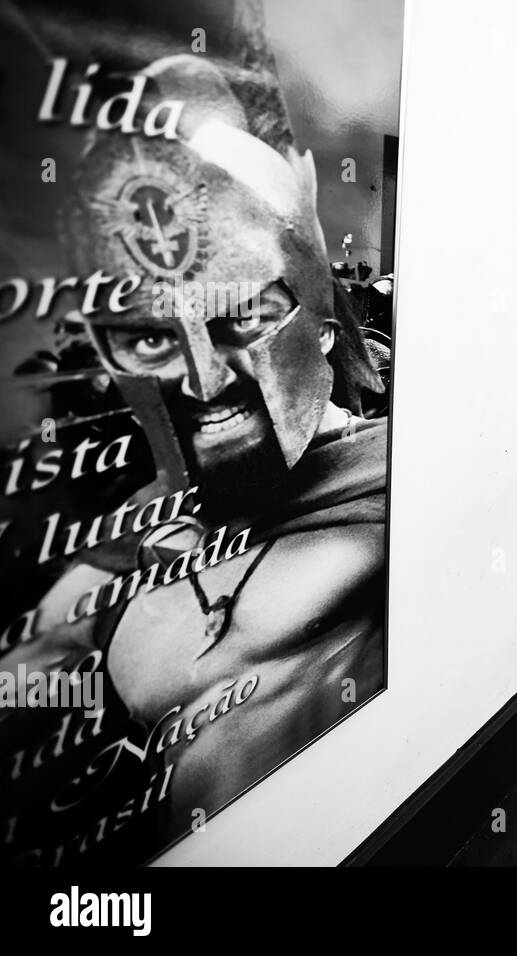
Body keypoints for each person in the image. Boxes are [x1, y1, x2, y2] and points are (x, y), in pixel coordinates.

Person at [0, 42, 388, 849]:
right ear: (108, 358)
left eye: (244, 316)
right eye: (151, 342)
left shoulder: (399, 489)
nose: (207, 384)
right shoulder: (126, 553)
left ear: (314, 302)